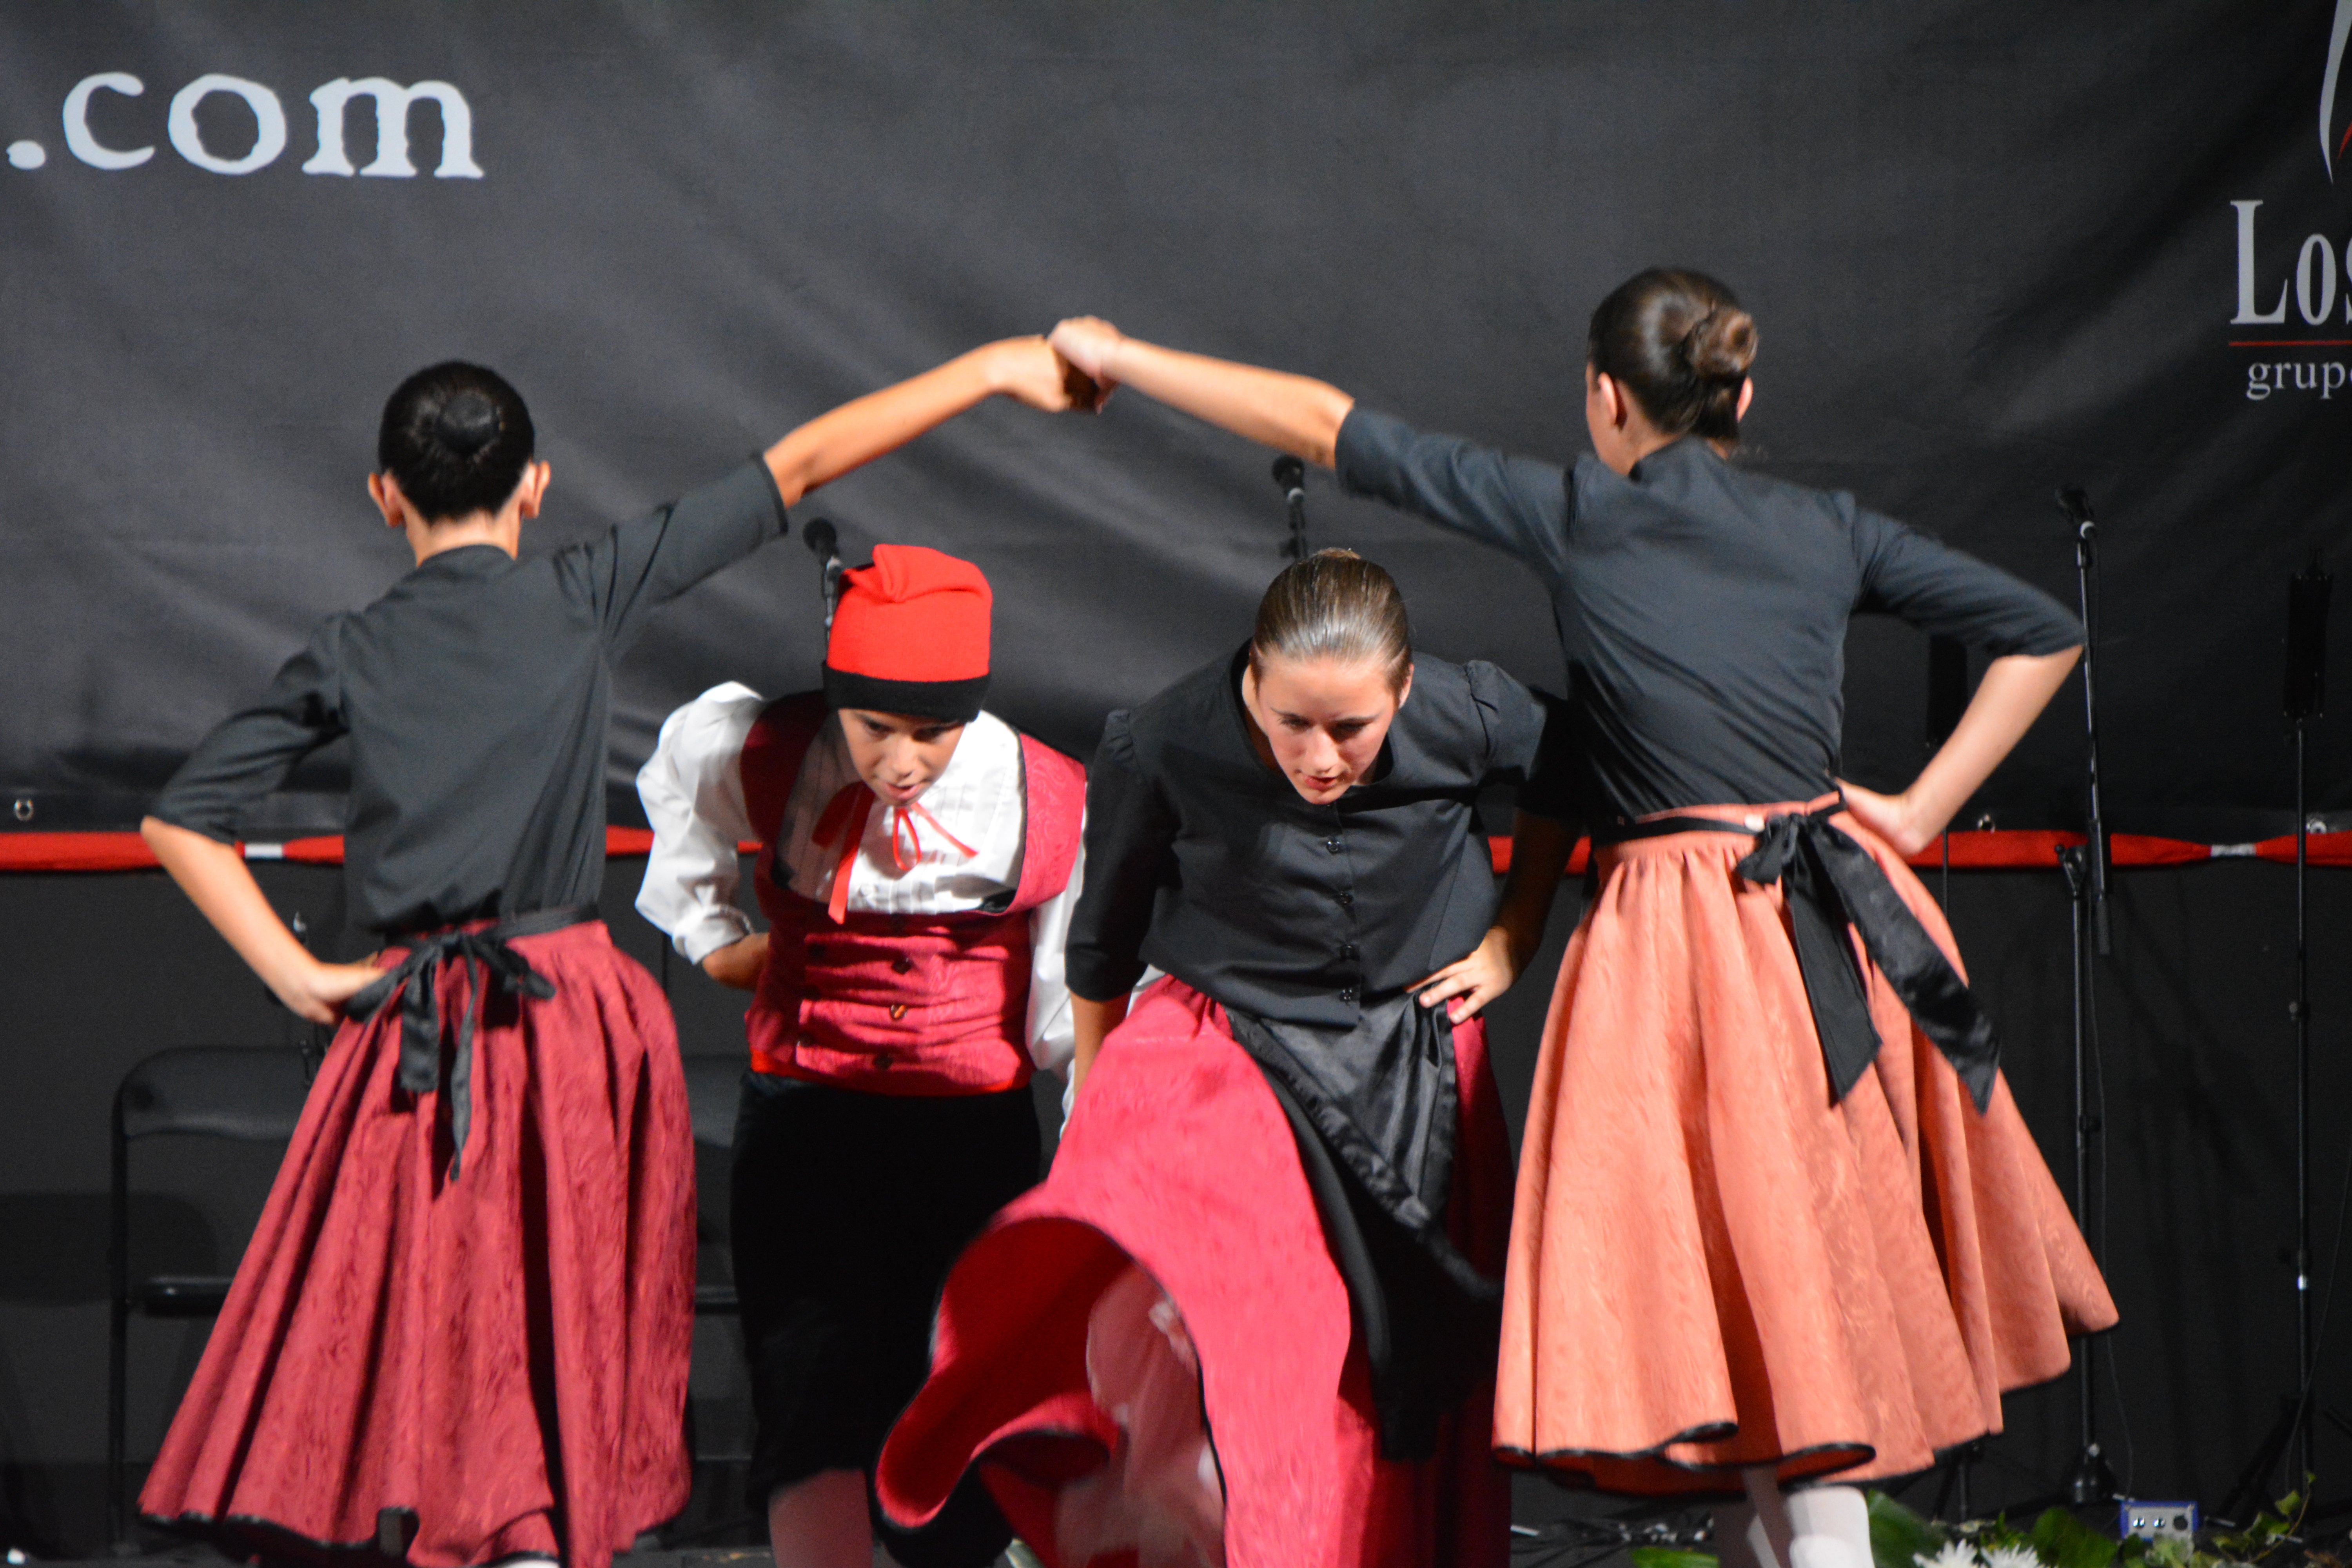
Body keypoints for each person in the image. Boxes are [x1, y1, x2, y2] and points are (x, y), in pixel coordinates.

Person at [1042, 276, 2119, 1568]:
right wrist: (1921, 807)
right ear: (1742, 398)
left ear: (1605, 400)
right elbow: (2042, 632)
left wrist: (1122, 354)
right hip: (1827, 925)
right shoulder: (1824, 526)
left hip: (1687, 944)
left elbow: (1325, 423)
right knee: (1765, 1325)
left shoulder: (1580, 517)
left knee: (1763, 1330)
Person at [135, 339, 1099, 1568]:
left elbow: (181, 817)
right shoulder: (577, 589)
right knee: (551, 1305)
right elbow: (800, 464)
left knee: (415, 1302)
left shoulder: (353, 648)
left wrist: (308, 979)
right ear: (537, 484)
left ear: (385, 496)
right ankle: (534, 1530)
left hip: (416, 1021)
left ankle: (465, 1523)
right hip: (565, 1012)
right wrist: (991, 372)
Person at [877, 549, 1568, 1568]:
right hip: (1231, 1048)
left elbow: (1570, 763)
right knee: (1250, 1325)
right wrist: (1102, 1138)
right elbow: (1103, 945)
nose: (1320, 757)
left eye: (1352, 729)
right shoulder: (1164, 737)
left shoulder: (1471, 710)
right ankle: (1152, 1503)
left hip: (1409, 1070)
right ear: (1252, 677)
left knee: (1378, 1386)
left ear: (1406, 692)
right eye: (1292, 723)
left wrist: (1517, 934)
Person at [633, 542, 1087, 1568]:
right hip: (807, 1117)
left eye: (931, 734)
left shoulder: (1042, 792)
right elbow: (677, 794)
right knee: (808, 1390)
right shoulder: (766, 747)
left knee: (963, 1385)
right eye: (875, 727)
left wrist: (1091, 1134)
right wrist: (712, 941)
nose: (900, 761)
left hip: (970, 1138)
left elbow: (1062, 1003)